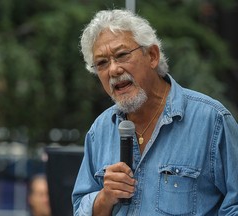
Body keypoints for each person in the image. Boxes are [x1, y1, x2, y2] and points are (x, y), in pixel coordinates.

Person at [72, 9, 238, 215]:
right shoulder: (100, 130)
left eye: (122, 55)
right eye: (102, 63)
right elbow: (79, 208)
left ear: (152, 56)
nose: (113, 70)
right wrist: (104, 198)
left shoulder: (211, 121)